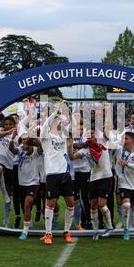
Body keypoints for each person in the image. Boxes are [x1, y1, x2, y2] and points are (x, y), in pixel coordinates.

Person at [68, 128, 114, 240]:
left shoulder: (102, 141)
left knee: (101, 204)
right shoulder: (85, 149)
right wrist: (69, 146)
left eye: (92, 133)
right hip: (93, 178)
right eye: (88, 134)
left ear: (96, 134)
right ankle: (96, 231)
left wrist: (107, 111)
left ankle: (109, 227)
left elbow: (106, 128)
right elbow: (72, 157)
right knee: (92, 205)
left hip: (105, 177)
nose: (90, 135)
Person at [40, 100, 75, 245]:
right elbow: (45, 125)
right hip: (52, 174)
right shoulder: (46, 137)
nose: (60, 123)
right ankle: (48, 234)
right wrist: (56, 111)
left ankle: (67, 231)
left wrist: (70, 114)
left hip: (65, 173)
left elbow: (71, 126)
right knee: (51, 204)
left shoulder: (63, 137)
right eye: (58, 122)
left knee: (71, 203)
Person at [9, 135, 43, 240]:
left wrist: (37, 142)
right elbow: (12, 149)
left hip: (33, 182)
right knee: (24, 206)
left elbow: (41, 150)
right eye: (23, 141)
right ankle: (29, 224)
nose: (25, 144)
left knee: (28, 203)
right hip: (21, 183)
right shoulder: (20, 149)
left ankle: (25, 232)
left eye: (27, 142)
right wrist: (12, 138)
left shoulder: (37, 150)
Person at [114, 132, 134, 241]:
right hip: (123, 183)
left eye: (126, 139)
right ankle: (126, 230)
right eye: (123, 138)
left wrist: (126, 164)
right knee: (126, 205)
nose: (124, 141)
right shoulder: (119, 150)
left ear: (133, 141)